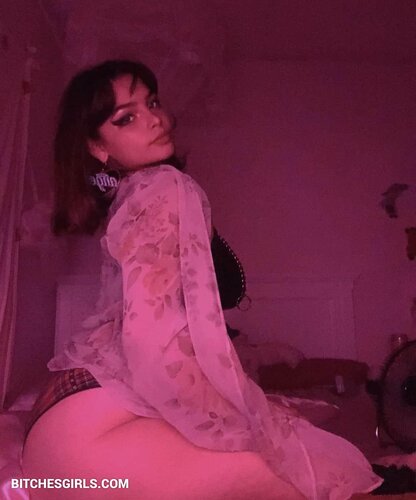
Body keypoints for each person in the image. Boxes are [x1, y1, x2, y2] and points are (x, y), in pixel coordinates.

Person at [22, 60, 382, 499]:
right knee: (315, 472)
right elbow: (151, 340)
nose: (155, 118)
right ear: (97, 147)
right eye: (127, 118)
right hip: (85, 447)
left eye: (153, 102)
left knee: (300, 439)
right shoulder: (164, 186)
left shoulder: (128, 197)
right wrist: (246, 423)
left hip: (49, 449)